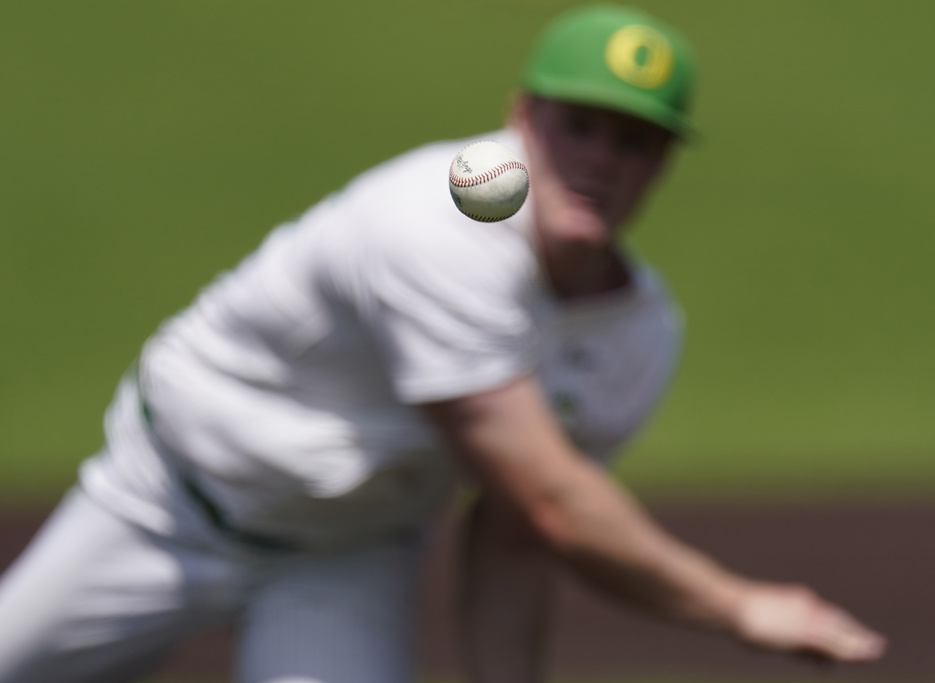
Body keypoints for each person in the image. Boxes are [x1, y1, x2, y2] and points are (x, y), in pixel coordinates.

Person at [0, 5, 886, 683]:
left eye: (637, 141)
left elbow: (517, 535)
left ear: (663, 165)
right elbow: (556, 502)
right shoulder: (437, 222)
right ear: (521, 118)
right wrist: (741, 606)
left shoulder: (638, 333)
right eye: (578, 123)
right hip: (167, 505)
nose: (604, 159)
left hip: (347, 550)